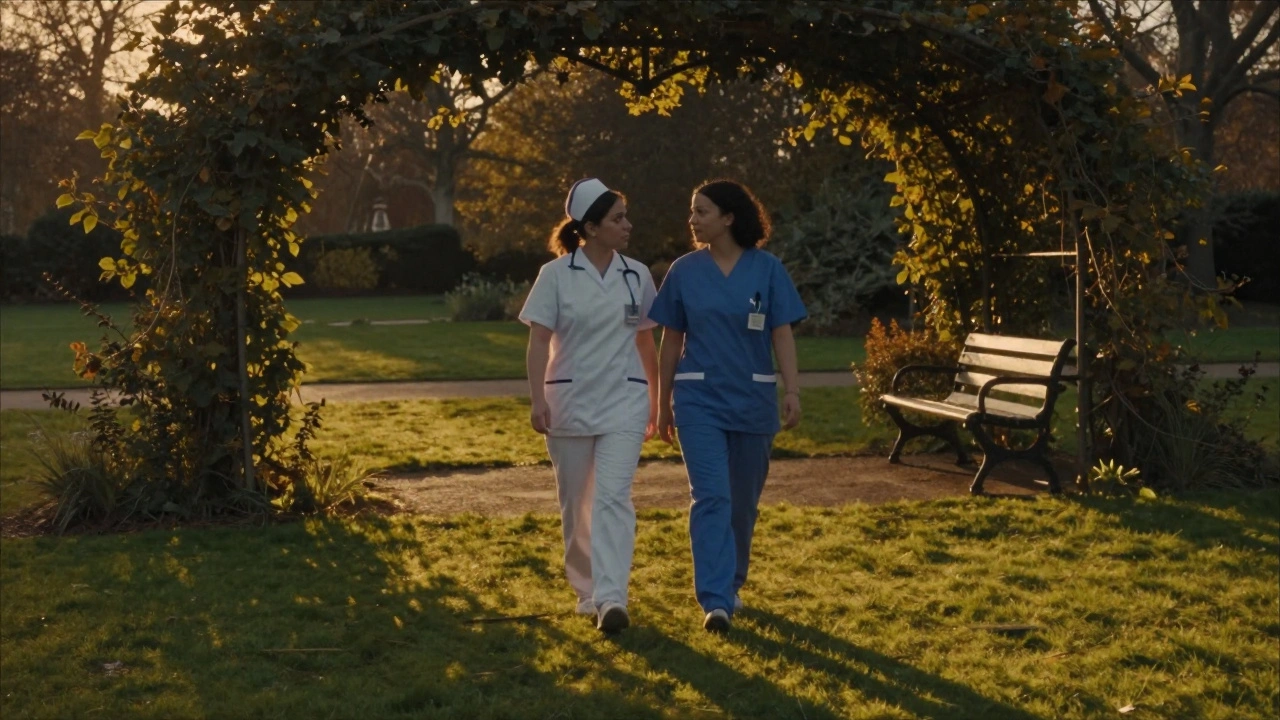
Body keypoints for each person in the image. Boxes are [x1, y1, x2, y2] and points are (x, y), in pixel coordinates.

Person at [648, 179, 807, 632]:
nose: (693, 220)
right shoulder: (683, 271)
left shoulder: (768, 269)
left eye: (702, 212)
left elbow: (782, 334)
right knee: (712, 496)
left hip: (753, 399)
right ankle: (715, 600)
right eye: (692, 212)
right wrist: (662, 405)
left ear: (729, 218)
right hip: (698, 399)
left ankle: (732, 584)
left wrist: (791, 390)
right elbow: (669, 341)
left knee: (742, 504)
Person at [519, 178, 660, 634]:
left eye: (625, 216)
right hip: (569, 402)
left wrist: (657, 400)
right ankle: (587, 591)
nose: (627, 225)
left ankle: (613, 597)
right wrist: (537, 397)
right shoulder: (556, 275)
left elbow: (646, 341)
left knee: (614, 498)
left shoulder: (636, 273)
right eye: (618, 218)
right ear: (592, 227)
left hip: (625, 401)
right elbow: (539, 340)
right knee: (577, 503)